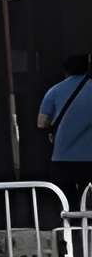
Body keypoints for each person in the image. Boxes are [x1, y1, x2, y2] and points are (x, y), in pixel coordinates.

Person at [41, 54, 92, 200]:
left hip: (62, 157)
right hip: (90, 158)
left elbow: (41, 122)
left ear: (65, 70)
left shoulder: (54, 91)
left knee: (66, 200)